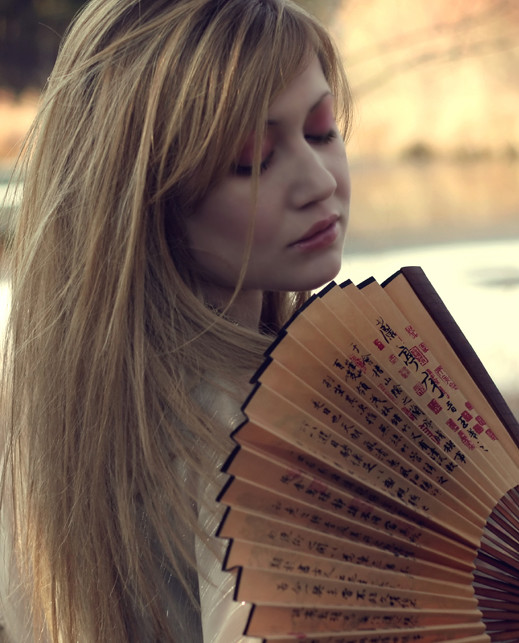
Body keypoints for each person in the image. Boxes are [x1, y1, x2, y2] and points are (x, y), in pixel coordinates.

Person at [0, 0, 351, 640]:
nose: (317, 180)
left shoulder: (42, 418)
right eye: (252, 159)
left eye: (323, 130)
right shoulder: (269, 422)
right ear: (145, 199)